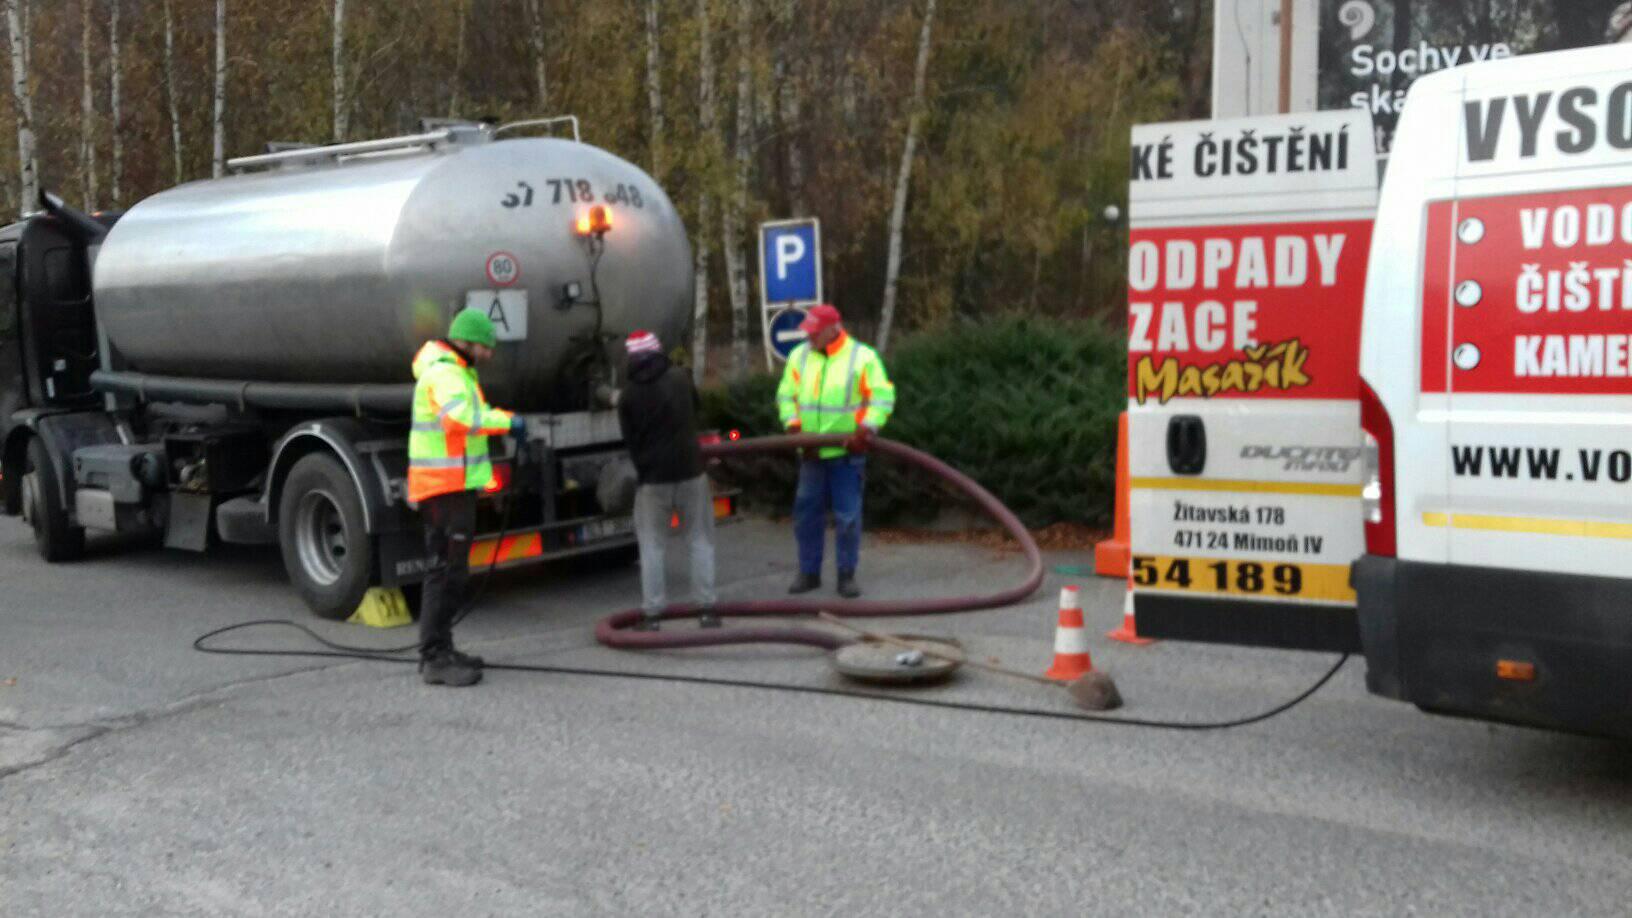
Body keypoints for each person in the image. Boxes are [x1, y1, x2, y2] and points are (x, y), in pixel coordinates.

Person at [407, 308, 524, 687]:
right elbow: (459, 419)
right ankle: (435, 658)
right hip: (444, 488)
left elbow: (476, 413)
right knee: (445, 572)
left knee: (449, 571)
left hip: (452, 486)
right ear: (468, 341)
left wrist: (504, 417)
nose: (489, 354)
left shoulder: (456, 373)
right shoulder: (445, 373)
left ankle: (442, 648)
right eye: (485, 347)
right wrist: (508, 423)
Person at [776, 303, 895, 598]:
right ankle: (809, 572)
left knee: (847, 518)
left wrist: (865, 431)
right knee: (806, 515)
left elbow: (881, 398)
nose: (809, 338)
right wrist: (794, 430)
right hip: (811, 454)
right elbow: (786, 396)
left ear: (833, 330)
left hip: (847, 454)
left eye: (814, 333)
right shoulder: (799, 357)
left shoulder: (862, 357)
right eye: (808, 332)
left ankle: (846, 574)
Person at [616, 330, 718, 631]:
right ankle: (707, 609)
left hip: (652, 479)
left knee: (652, 546)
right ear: (659, 351)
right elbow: (696, 412)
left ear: (632, 358)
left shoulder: (628, 395)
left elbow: (630, 439)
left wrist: (644, 468)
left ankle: (653, 614)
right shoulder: (681, 379)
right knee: (700, 540)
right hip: (690, 471)